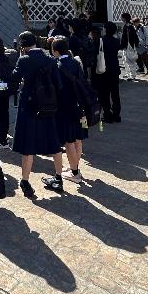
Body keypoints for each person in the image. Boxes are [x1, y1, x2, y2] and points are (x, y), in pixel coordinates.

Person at [12, 31, 63, 199]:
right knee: (53, 141)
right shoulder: (50, 60)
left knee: (28, 145)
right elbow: (59, 84)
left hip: (28, 106)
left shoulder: (24, 59)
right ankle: (58, 177)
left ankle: (25, 181)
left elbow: (14, 78)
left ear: (23, 46)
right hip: (48, 106)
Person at [46, 37, 91, 190]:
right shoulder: (76, 63)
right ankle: (75, 167)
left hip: (64, 108)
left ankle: (75, 173)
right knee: (78, 138)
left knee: (69, 141)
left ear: (55, 51)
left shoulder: (57, 65)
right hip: (79, 106)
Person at [117, 14, 140, 81]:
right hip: (127, 46)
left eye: (122, 17)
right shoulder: (128, 26)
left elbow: (131, 37)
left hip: (129, 46)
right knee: (125, 60)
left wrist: (122, 45)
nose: (121, 18)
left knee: (130, 61)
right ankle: (128, 73)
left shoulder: (129, 26)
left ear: (124, 18)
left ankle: (132, 75)